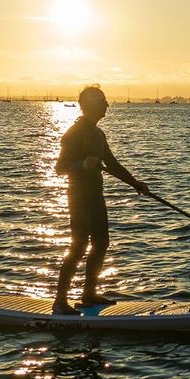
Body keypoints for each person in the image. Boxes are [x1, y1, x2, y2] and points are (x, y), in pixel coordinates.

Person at [52, 85, 149, 315]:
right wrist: (81, 165)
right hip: (78, 196)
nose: (107, 106)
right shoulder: (73, 134)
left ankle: (88, 294)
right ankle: (60, 301)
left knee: (101, 243)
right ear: (91, 106)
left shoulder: (98, 134)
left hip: (96, 195)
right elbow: (60, 168)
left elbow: (113, 165)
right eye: (102, 101)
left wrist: (136, 184)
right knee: (78, 246)